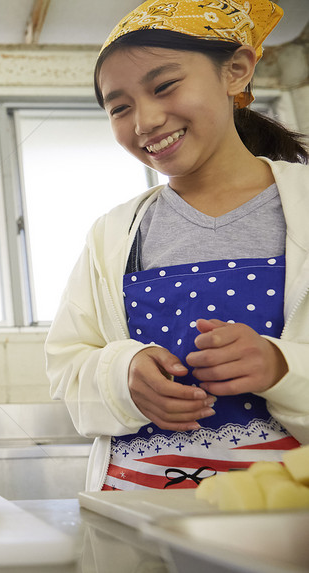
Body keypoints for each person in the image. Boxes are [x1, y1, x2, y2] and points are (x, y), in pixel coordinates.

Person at [45, 0, 309, 491]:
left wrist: (282, 366)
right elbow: (67, 367)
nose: (143, 120)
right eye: (119, 107)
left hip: (287, 522)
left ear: (236, 71)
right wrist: (122, 375)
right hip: (137, 514)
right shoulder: (114, 232)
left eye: (164, 86)